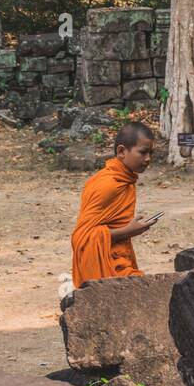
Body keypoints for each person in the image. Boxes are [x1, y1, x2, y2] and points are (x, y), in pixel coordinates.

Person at [71, 121, 157, 288]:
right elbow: (81, 237)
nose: (148, 159)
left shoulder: (126, 180)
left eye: (151, 153)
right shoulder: (108, 184)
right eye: (143, 152)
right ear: (122, 151)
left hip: (120, 259)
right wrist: (127, 231)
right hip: (105, 263)